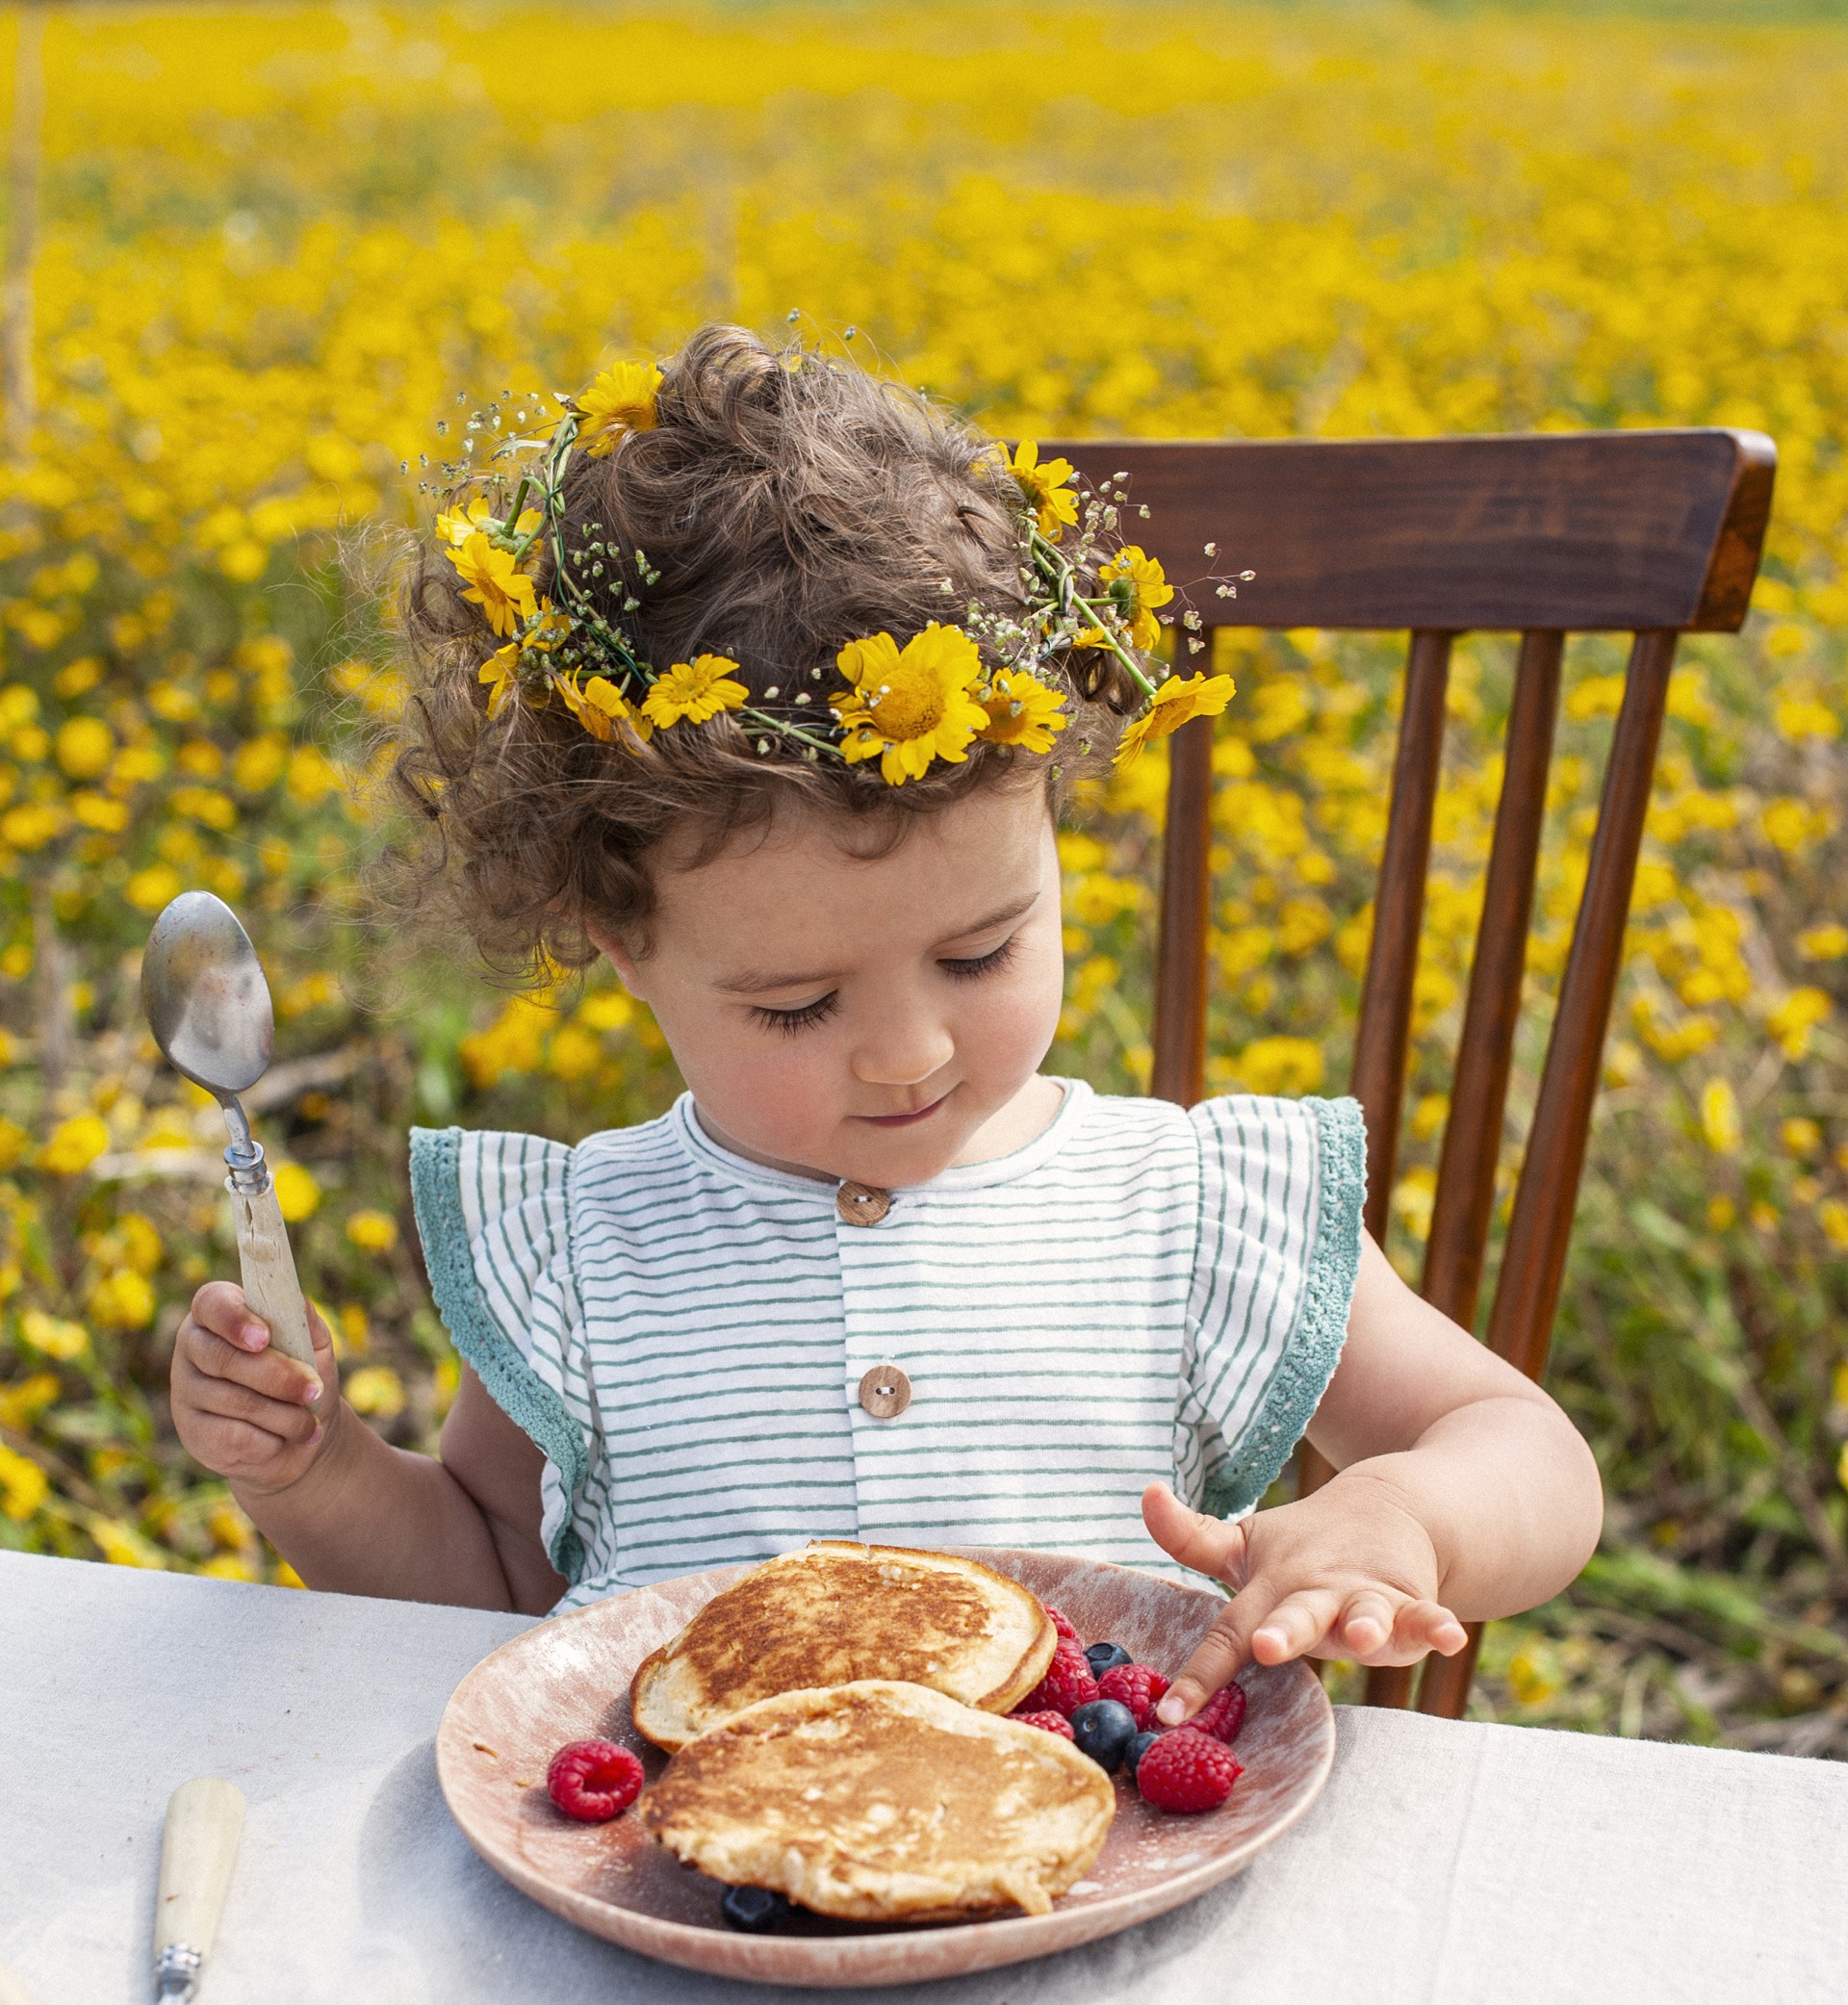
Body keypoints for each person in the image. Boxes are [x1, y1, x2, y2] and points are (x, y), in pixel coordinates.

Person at [170, 325, 1601, 1722]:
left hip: (1108, 1898)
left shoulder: (1193, 1212)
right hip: (688, 1910)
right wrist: (315, 1474)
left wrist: (1402, 1515)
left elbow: (1529, 1453)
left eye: (981, 954)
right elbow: (484, 1591)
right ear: (622, 940)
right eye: (797, 1005)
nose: (910, 1051)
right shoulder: (594, 1245)